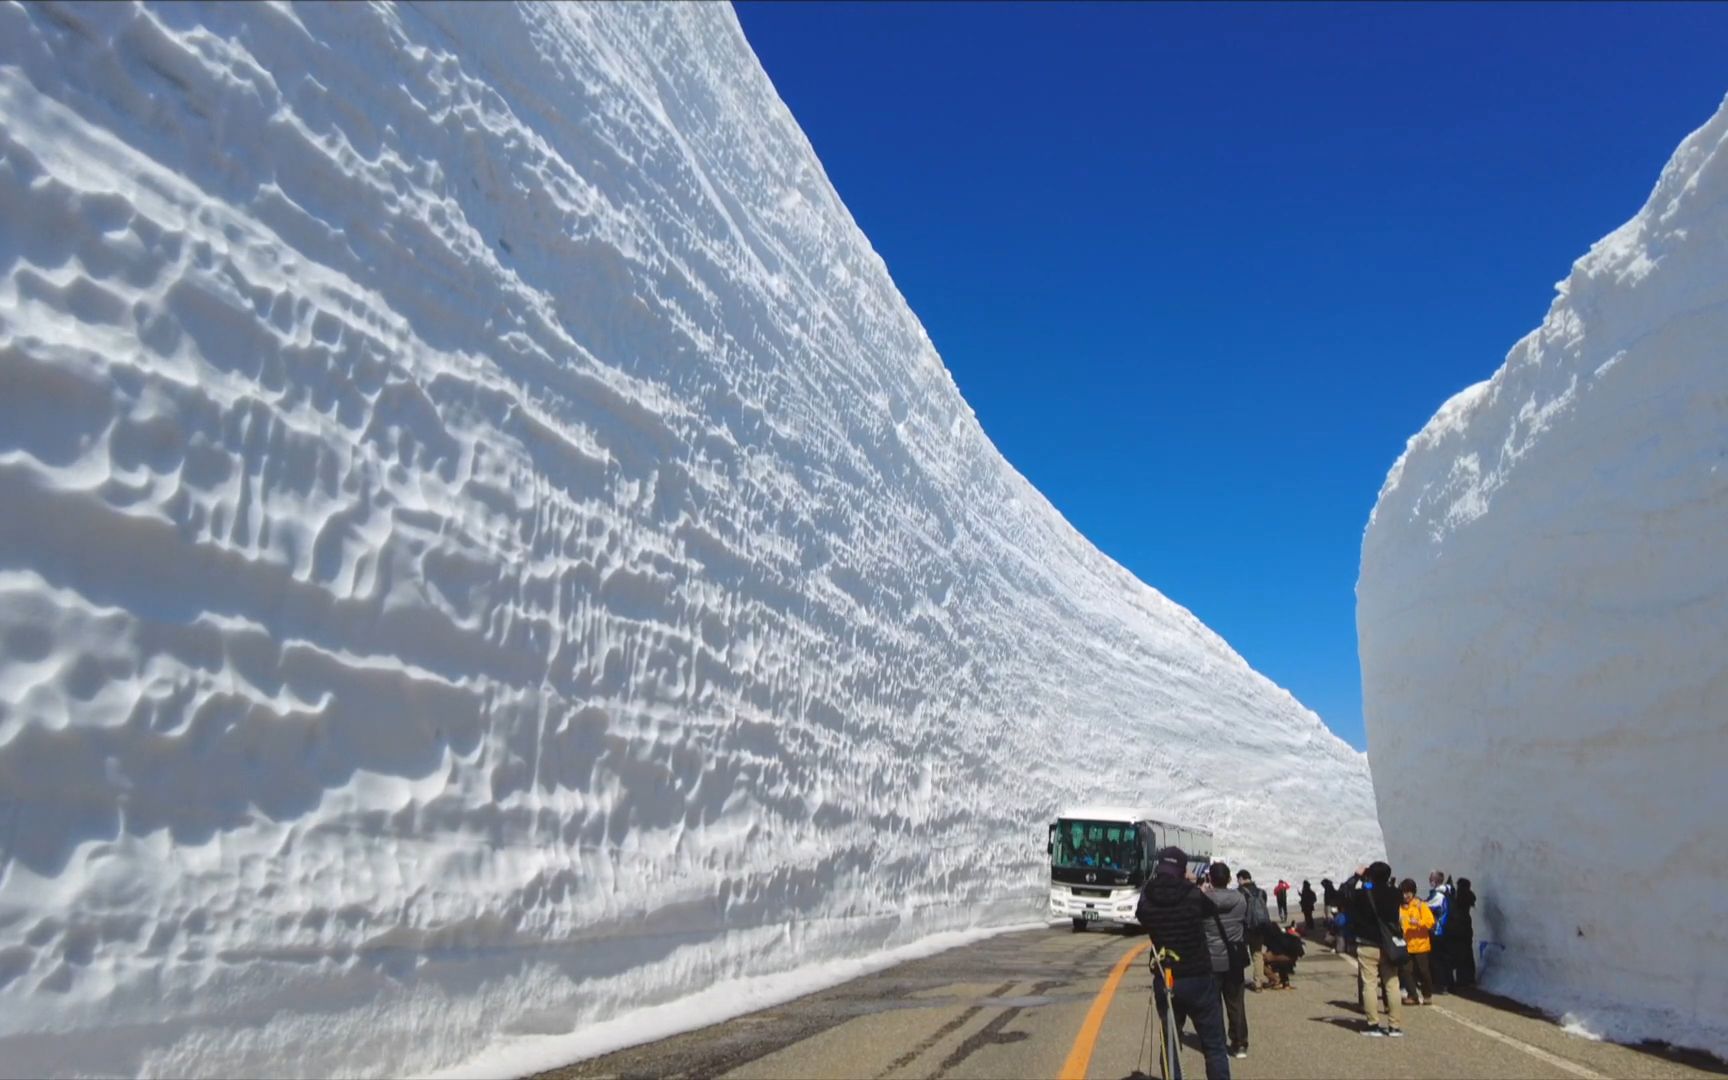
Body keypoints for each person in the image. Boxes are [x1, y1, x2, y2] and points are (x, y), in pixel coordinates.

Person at [1138, 847, 1232, 1079]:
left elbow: (1141, 914)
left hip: (1166, 977)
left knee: (1170, 1044)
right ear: (1182, 870)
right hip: (1198, 976)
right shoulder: (1191, 894)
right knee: (1214, 1047)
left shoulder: (1148, 895)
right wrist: (1193, 881)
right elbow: (1210, 910)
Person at [1342, 862, 1405, 1037]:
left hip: (1367, 942)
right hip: (1389, 944)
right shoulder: (1395, 894)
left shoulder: (1363, 894)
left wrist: (1357, 876)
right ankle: (1394, 1026)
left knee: (1369, 983)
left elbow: (1343, 893)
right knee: (1392, 984)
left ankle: (1373, 1024)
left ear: (1370, 875)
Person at [1201, 862, 1251, 1060]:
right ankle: (1239, 1043)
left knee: (1212, 1005)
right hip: (1234, 959)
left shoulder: (1203, 899)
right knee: (1236, 1003)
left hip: (1211, 959)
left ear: (1210, 879)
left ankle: (1217, 1042)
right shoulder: (1240, 899)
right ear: (1229, 879)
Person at [1398, 878, 1436, 1004]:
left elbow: (1430, 922)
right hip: (1406, 945)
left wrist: (1418, 923)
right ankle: (1412, 995)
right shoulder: (1400, 908)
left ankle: (1427, 995)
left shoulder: (1420, 905)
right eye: (1403, 893)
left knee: (1423, 971)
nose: (1406, 896)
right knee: (1406, 971)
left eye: (1408, 892)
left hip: (1420, 945)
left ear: (1413, 892)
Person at [1236, 870, 1270, 990]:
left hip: (1244, 928)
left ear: (1241, 879)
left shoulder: (1239, 892)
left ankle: (1239, 980)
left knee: (1239, 954)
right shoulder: (1261, 892)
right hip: (1259, 928)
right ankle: (1258, 982)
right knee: (1257, 954)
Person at [1426, 870, 1454, 994]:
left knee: (1437, 959)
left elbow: (1426, 906)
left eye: (1431, 878)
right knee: (1445, 958)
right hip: (1447, 929)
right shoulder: (1449, 892)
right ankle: (1448, 983)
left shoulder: (1438, 895)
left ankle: (1441, 984)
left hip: (1438, 930)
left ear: (1435, 881)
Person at [1448, 878, 1477, 988]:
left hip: (1458, 929)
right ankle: (1469, 978)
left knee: (1459, 955)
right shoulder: (1470, 896)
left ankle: (1462, 979)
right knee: (1468, 954)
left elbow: (1454, 905)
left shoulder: (1460, 896)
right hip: (1466, 928)